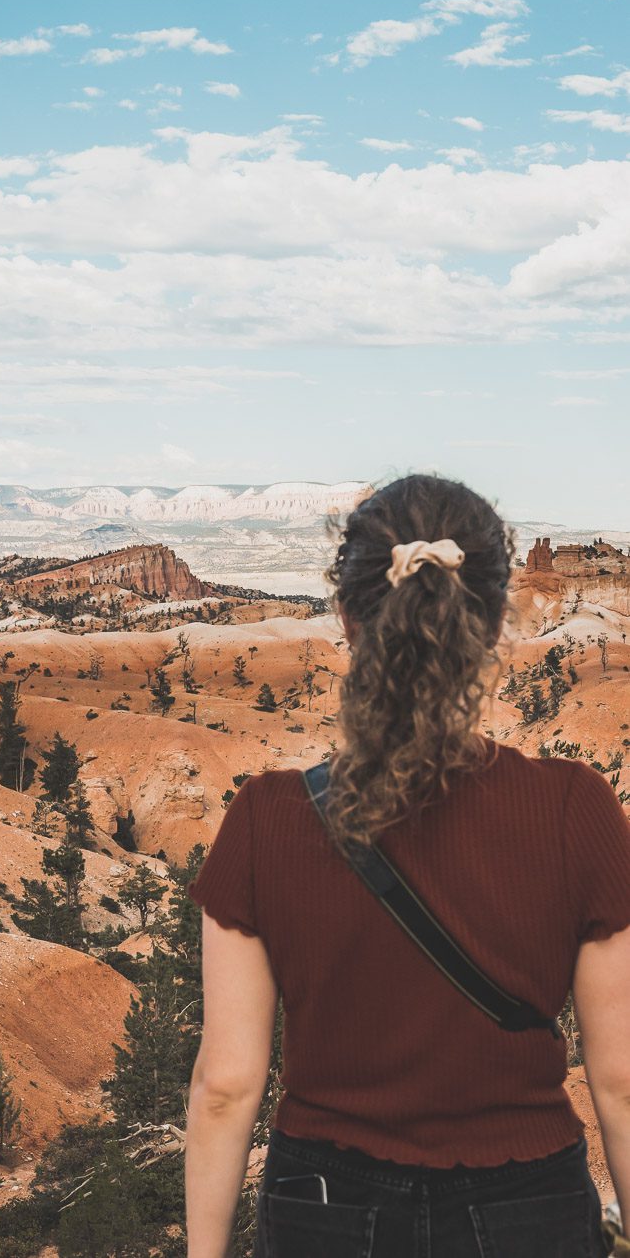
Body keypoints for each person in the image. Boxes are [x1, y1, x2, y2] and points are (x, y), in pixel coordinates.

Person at [184, 472, 630, 1258]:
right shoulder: (575, 809)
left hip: (325, 1208)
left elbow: (226, 1088)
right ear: (495, 620)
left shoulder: (266, 818)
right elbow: (621, 1078)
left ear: (349, 619)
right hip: (529, 1205)